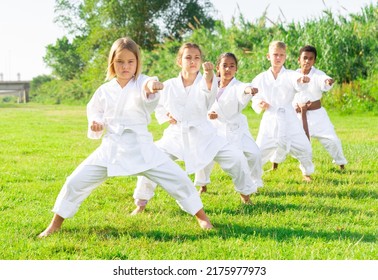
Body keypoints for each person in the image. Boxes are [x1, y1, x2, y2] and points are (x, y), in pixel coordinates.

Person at [38, 37, 213, 238]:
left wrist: (152, 86)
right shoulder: (105, 90)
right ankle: (55, 224)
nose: (125, 66)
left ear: (137, 63)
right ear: (112, 62)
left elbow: (148, 86)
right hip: (112, 148)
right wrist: (96, 122)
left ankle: (202, 217)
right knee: (75, 181)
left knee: (179, 178)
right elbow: (95, 111)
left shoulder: (142, 82)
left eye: (131, 62)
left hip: (142, 148)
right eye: (120, 62)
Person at [132, 43, 257, 215]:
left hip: (204, 133)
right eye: (188, 57)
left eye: (197, 58)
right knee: (150, 159)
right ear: (179, 61)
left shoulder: (207, 82)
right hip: (176, 135)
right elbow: (157, 106)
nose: (193, 61)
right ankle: (141, 202)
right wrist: (166, 115)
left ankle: (245, 195)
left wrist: (209, 75)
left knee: (236, 158)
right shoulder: (169, 85)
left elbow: (208, 96)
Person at [196, 52, 263, 194]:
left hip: (235, 128)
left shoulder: (238, 86)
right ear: (217, 68)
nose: (228, 69)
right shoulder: (209, 83)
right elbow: (200, 102)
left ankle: (255, 181)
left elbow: (243, 89)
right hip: (213, 128)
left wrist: (249, 90)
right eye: (224, 65)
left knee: (255, 153)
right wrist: (208, 114)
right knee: (205, 155)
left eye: (232, 66)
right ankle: (202, 184)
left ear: (236, 69)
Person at [251, 41, 314, 181]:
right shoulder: (260, 78)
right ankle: (254, 179)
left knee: (304, 147)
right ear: (268, 56)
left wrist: (302, 80)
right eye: (275, 55)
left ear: (285, 57)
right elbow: (254, 95)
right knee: (258, 151)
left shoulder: (290, 74)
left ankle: (306, 172)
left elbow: (297, 81)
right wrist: (259, 102)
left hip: (289, 117)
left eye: (281, 55)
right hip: (270, 118)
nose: (278, 58)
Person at [292, 45, 347, 170]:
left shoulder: (317, 74)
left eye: (310, 58)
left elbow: (324, 79)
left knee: (332, 140)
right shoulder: (292, 75)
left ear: (314, 61)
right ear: (298, 60)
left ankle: (341, 164)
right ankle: (275, 164)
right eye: (304, 58)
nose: (307, 61)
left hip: (317, 115)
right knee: (288, 141)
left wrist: (328, 81)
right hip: (297, 115)